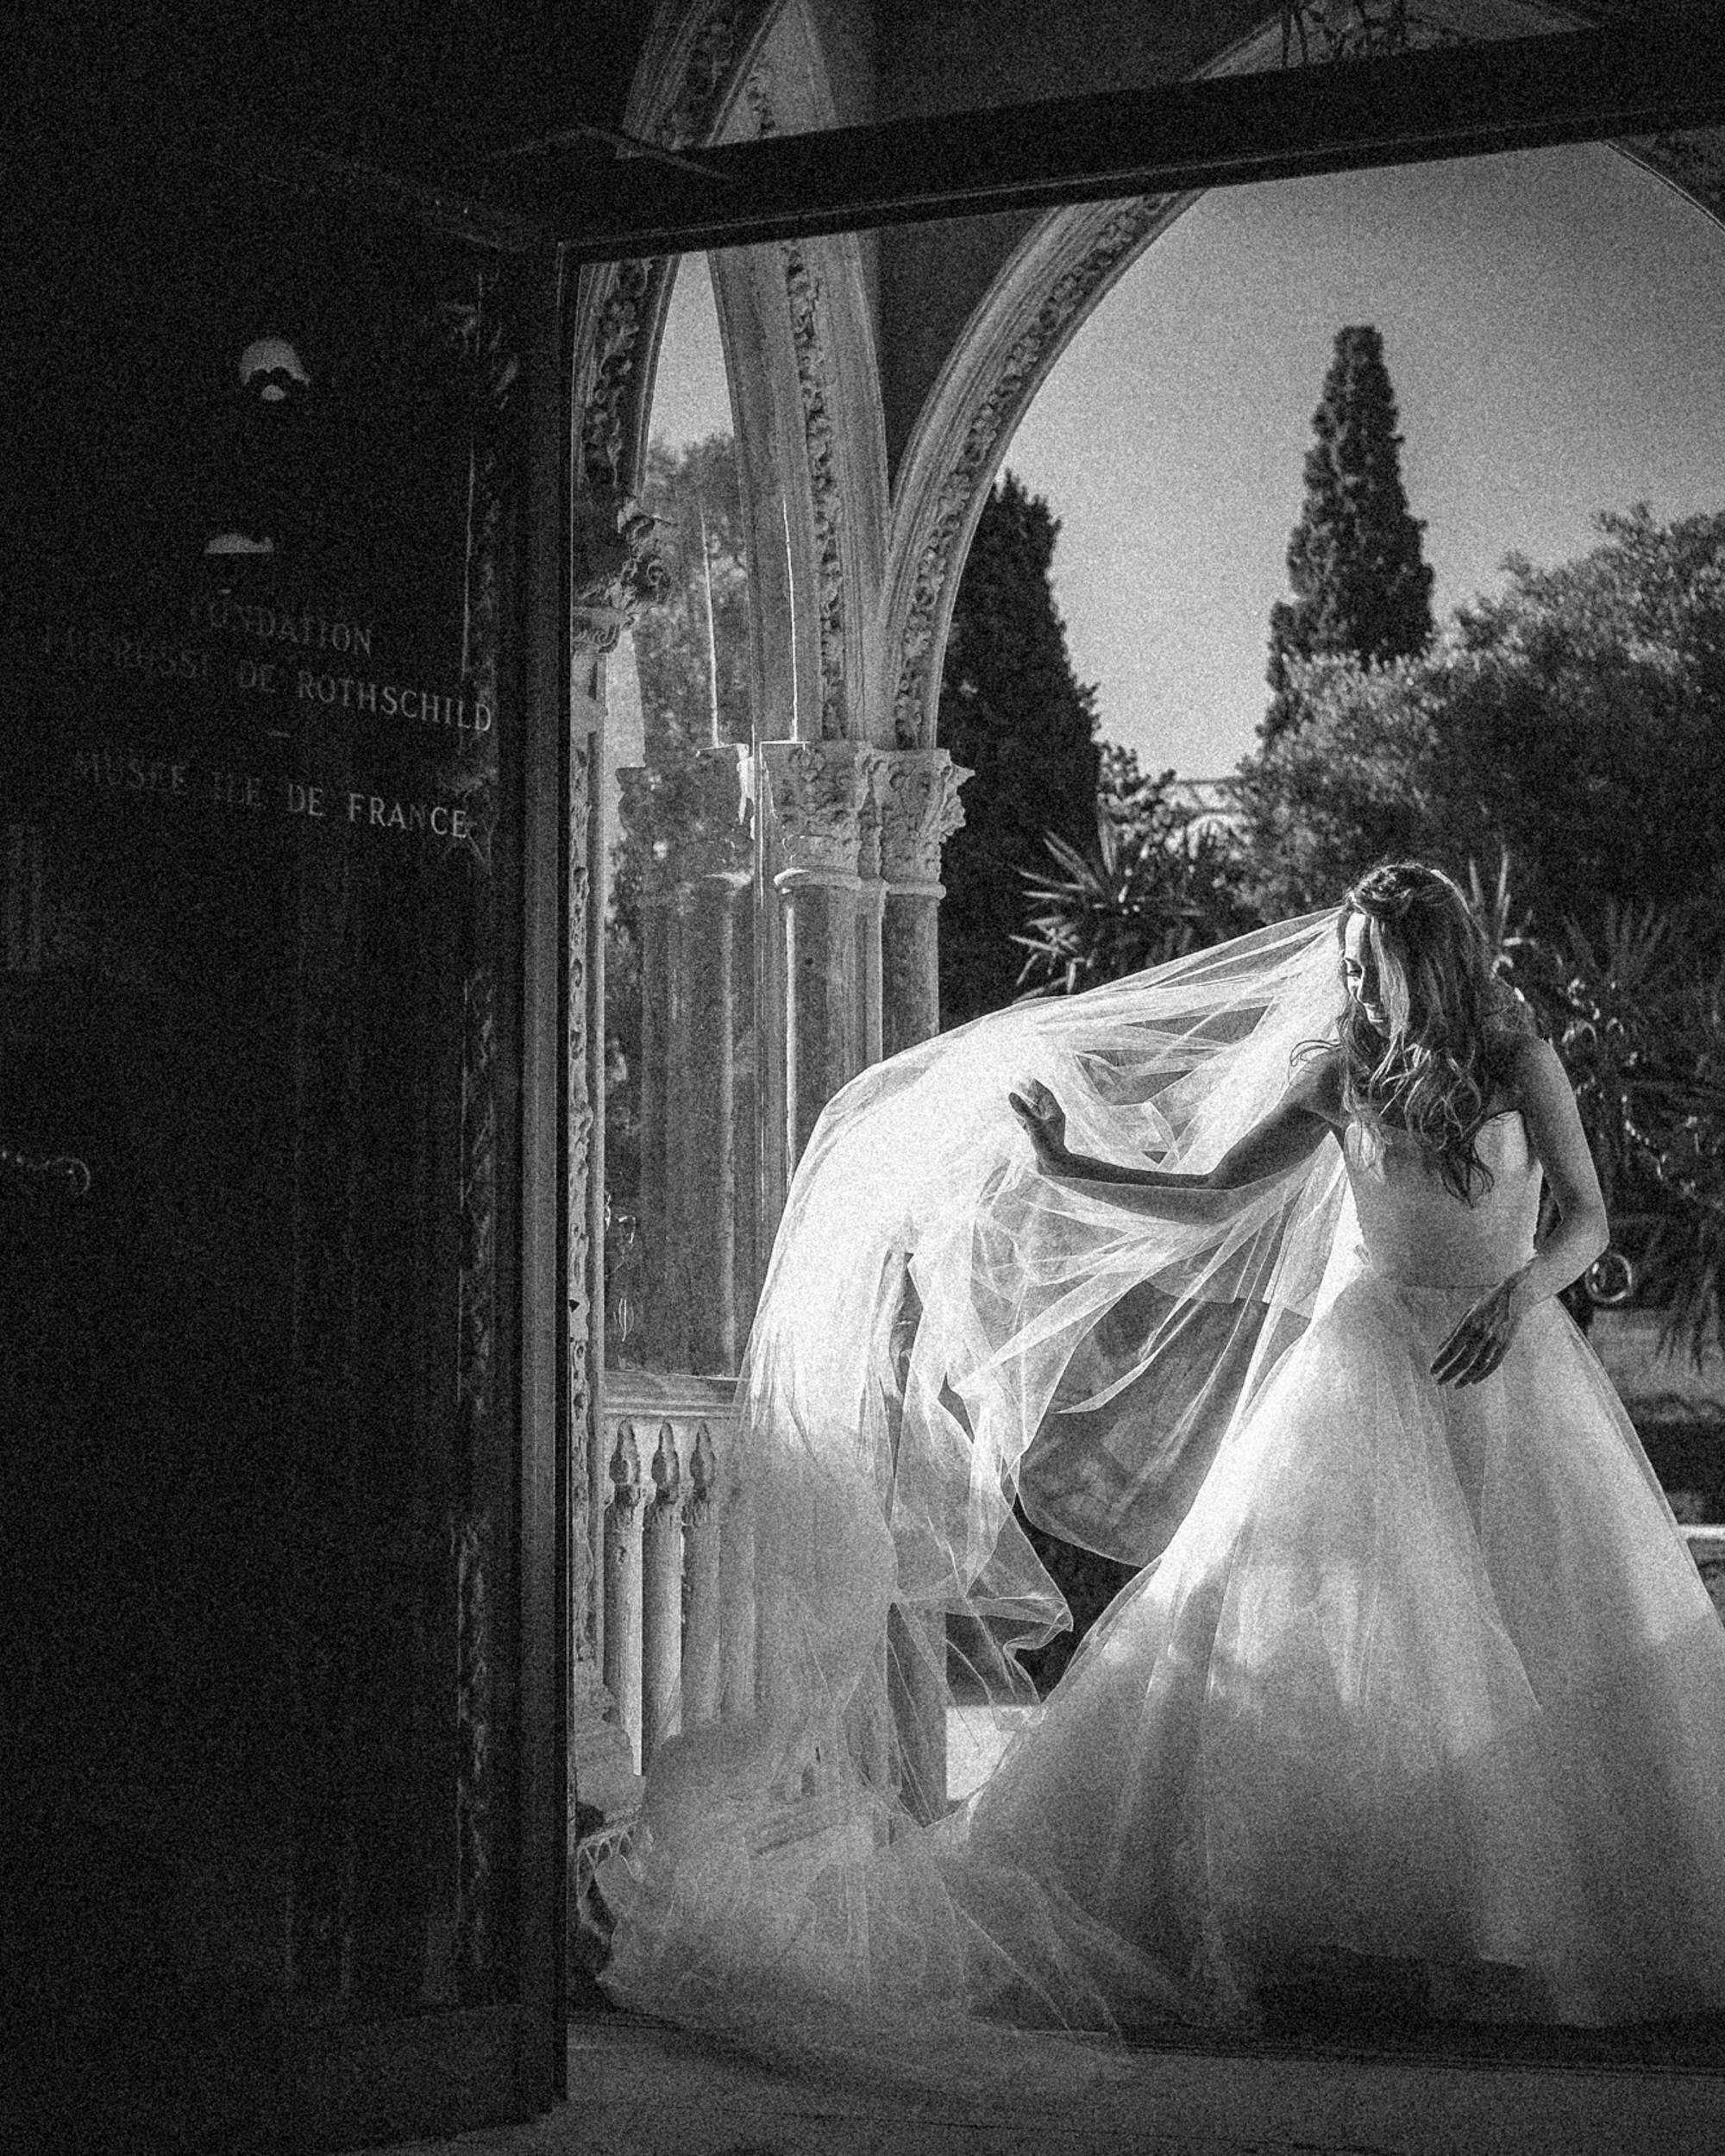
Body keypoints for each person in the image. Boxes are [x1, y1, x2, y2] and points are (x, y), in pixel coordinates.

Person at [601, 862, 1725, 2065]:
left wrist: (1518, 1295)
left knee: (1552, 1618)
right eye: (1347, 965)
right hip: (1368, 1365)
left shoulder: (1521, 1062)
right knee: (1360, 1636)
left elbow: (1586, 1218)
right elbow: (1210, 1193)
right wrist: (1066, 1166)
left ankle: (1546, 1923)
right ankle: (1366, 1932)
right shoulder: (1340, 1074)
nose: (1351, 984)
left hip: (1508, 1359)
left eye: (1371, 965)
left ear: (1427, 962)